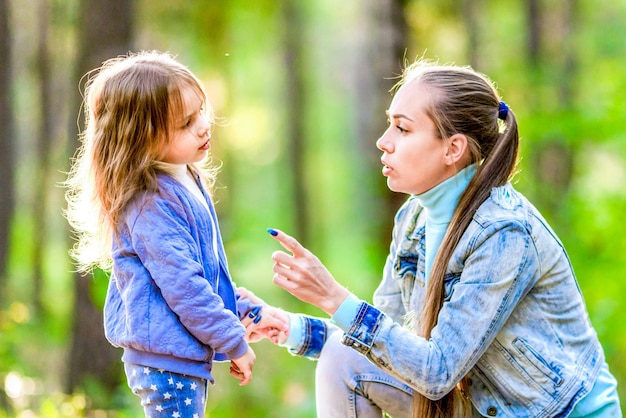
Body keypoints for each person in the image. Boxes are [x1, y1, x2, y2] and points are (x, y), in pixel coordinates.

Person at [244, 60, 622, 417]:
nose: (383, 141)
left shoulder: (504, 233)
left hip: (556, 412)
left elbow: (437, 370)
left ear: (452, 148)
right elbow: (386, 343)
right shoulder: (413, 219)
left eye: (402, 128)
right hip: (479, 405)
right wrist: (290, 327)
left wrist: (332, 295)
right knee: (343, 362)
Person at [64, 51, 286, 417]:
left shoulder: (184, 178)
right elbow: (184, 286)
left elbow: (202, 275)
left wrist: (244, 310)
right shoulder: (150, 204)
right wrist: (234, 343)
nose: (202, 126)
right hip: (165, 363)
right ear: (141, 138)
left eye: (201, 112)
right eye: (185, 123)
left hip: (176, 357)